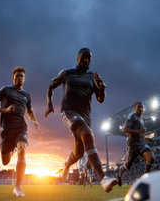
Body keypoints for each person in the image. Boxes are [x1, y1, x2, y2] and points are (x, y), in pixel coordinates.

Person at [45, 47, 117, 192]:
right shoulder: (67, 73)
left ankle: (66, 165)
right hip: (69, 112)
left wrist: (102, 88)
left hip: (85, 117)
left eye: (89, 57)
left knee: (78, 153)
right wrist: (49, 104)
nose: (86, 60)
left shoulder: (92, 77)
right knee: (87, 134)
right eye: (84, 57)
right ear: (77, 58)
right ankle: (104, 179)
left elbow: (100, 99)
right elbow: (51, 86)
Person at [0, 67, 39, 197]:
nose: (20, 78)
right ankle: (12, 148)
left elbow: (30, 112)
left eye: (22, 76)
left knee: (22, 149)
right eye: (17, 76)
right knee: (5, 161)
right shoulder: (5, 90)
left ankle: (17, 186)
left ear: (24, 78)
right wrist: (5, 110)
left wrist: (34, 121)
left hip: (21, 127)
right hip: (6, 130)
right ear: (12, 77)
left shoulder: (27, 96)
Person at [117, 102, 156, 186]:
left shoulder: (142, 119)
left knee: (151, 158)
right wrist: (138, 131)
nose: (141, 109)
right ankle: (119, 174)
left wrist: (146, 138)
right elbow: (124, 129)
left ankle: (145, 179)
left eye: (142, 107)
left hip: (142, 144)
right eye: (139, 107)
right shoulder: (132, 116)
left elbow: (139, 133)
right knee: (128, 166)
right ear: (134, 108)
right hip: (132, 146)